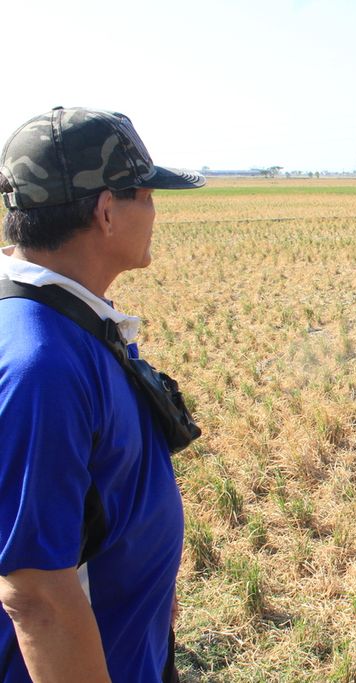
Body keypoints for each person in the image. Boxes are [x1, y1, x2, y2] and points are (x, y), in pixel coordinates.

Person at [0, 107, 205, 682]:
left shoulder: (68, 321)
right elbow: (35, 594)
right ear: (107, 211)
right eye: (145, 193)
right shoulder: (42, 365)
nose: (155, 210)